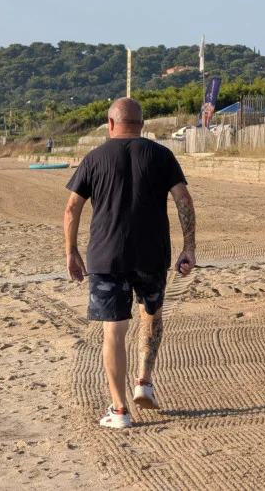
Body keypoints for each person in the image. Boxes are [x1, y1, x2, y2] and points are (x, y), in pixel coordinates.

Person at [64, 97, 197, 429]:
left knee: (114, 330)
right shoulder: (161, 155)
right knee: (151, 315)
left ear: (110, 123)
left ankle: (120, 410)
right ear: (142, 124)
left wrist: (71, 251)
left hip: (106, 257)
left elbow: (72, 208)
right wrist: (189, 247)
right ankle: (144, 382)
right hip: (152, 255)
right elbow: (183, 199)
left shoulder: (94, 158)